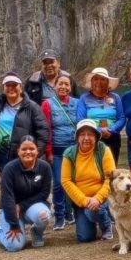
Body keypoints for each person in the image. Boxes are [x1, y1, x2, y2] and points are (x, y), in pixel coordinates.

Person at [0, 136, 52, 251]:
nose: (28, 152)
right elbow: (7, 198)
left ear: (37, 150)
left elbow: (44, 194)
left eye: (31, 149)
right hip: (10, 208)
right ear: (18, 151)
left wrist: (21, 206)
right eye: (24, 149)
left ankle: (37, 233)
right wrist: (13, 224)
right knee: (15, 246)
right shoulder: (9, 169)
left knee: (44, 215)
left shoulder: (45, 167)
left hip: (31, 206)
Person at [61, 119, 116, 242]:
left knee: (94, 211)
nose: (86, 138)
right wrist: (85, 201)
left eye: (90, 134)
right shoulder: (69, 154)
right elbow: (66, 181)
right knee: (85, 237)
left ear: (96, 137)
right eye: (82, 134)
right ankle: (93, 218)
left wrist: (98, 198)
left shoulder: (104, 150)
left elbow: (111, 177)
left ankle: (106, 225)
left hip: (103, 198)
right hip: (81, 200)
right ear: (77, 137)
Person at [40, 72, 79, 230]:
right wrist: (48, 151)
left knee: (73, 182)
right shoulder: (47, 104)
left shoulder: (77, 103)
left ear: (71, 87)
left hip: (75, 150)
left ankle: (71, 214)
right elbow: (46, 129)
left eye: (66, 84)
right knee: (57, 184)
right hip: (57, 150)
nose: (63, 87)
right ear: (54, 86)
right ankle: (59, 216)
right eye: (60, 84)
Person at [0, 72, 49, 170]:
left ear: (21, 87)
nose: (11, 88)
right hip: (2, 155)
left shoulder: (32, 107)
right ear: (3, 88)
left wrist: (35, 154)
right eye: (7, 85)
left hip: (24, 156)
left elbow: (43, 132)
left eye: (14, 85)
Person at [78, 67, 125, 164]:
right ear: (91, 82)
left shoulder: (115, 97)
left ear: (108, 82)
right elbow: (80, 119)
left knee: (111, 168)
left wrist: (110, 130)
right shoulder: (84, 98)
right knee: (93, 168)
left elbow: (121, 118)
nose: (99, 82)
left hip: (112, 137)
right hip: (92, 138)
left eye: (102, 79)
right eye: (96, 79)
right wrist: (98, 131)